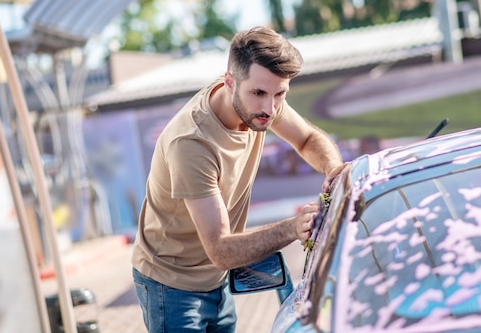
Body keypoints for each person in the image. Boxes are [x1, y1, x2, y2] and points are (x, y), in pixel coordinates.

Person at [131, 26, 345, 333]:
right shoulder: (191, 143)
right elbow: (221, 250)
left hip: (218, 279)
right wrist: (293, 227)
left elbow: (308, 138)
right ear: (229, 82)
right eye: (259, 93)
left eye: (280, 94)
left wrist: (333, 170)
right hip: (171, 286)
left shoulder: (261, 103)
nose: (270, 108)